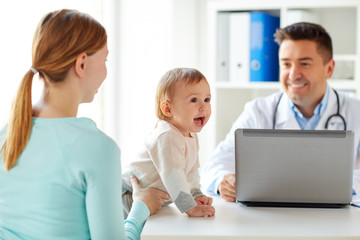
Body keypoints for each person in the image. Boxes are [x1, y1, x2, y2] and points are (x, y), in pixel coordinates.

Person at [0, 9, 169, 240]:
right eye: (105, 58)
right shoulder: (98, 149)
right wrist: (141, 207)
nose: (106, 69)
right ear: (81, 63)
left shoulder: (8, 133)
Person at [201, 22, 360, 202]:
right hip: (272, 221)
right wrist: (222, 180)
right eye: (286, 64)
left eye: (304, 64)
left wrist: (345, 185)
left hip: (337, 222)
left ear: (329, 68)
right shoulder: (258, 111)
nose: (293, 74)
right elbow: (213, 165)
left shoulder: (356, 111)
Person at [122, 68, 215, 217]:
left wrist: (195, 193)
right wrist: (190, 207)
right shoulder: (167, 136)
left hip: (151, 199)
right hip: (129, 194)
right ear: (168, 109)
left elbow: (190, 170)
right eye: (193, 100)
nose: (203, 107)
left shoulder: (189, 133)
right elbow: (174, 175)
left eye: (207, 100)